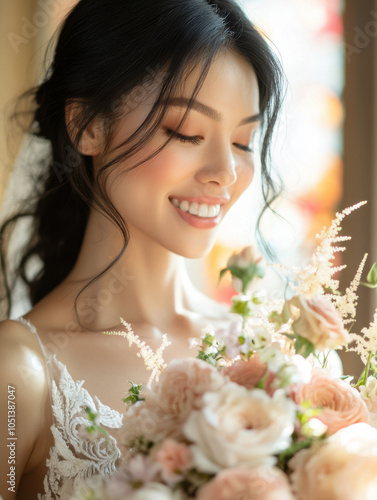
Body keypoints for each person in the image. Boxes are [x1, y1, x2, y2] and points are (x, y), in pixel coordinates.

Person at [0, 0, 284, 498]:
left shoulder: (263, 356)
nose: (225, 172)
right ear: (88, 125)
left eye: (243, 141)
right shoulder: (17, 374)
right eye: (187, 132)